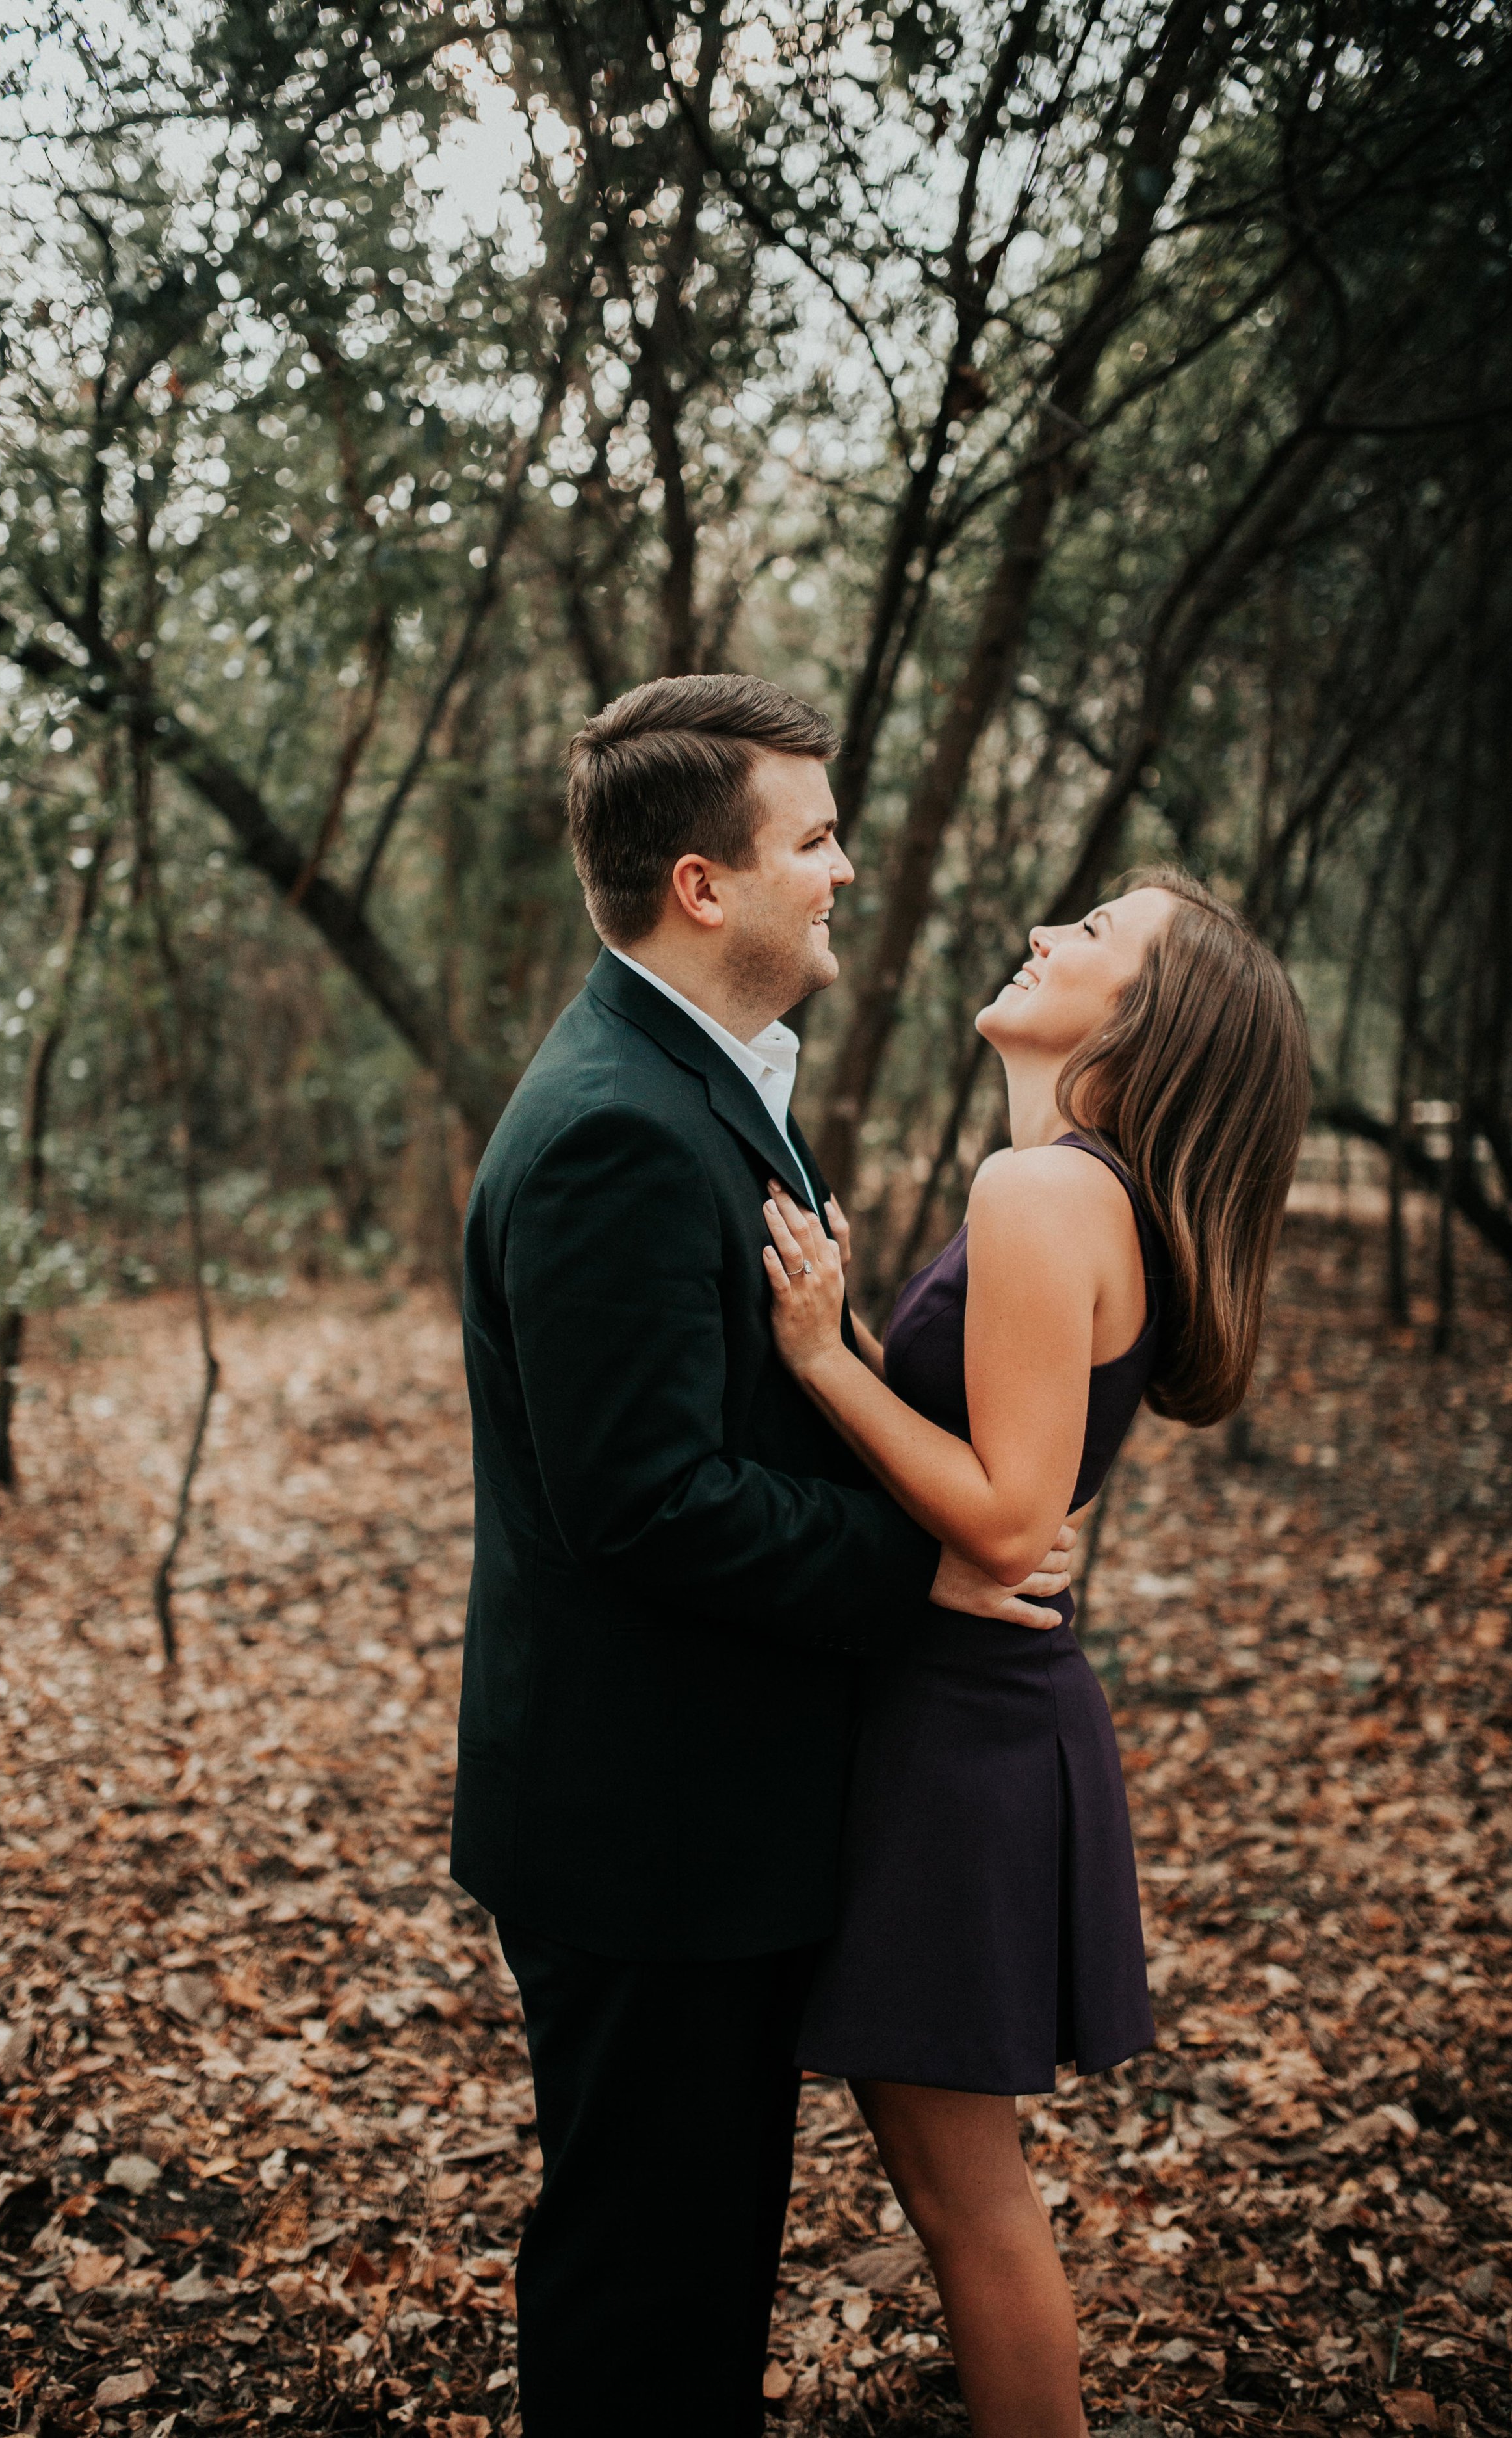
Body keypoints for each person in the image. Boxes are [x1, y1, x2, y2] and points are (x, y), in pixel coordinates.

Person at [451, 674, 1076, 2438]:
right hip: (643, 1827)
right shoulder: (613, 1134)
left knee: (693, 2260)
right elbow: (644, 1499)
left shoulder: (695, 1079)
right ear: (702, 884)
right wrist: (920, 1568)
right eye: (810, 837)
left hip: (696, 1801)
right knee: (650, 2289)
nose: (844, 866)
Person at [759, 867, 1311, 2438]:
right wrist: (863, 1347)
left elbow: (1001, 1524)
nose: (1048, 934)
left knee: (965, 2202)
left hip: (959, 1735)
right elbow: (992, 1461)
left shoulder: (1044, 1194)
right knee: (961, 2190)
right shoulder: (1071, 1189)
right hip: (979, 1717)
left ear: (1147, 1024)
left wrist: (813, 1360)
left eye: (1097, 937)